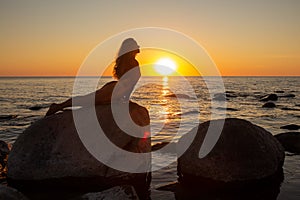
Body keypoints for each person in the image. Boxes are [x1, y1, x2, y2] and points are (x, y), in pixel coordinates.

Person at [45, 38, 141, 116]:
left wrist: (123, 99)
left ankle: (60, 106)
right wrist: (125, 99)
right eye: (135, 47)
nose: (137, 50)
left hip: (114, 89)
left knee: (87, 100)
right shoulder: (133, 63)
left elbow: (128, 84)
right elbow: (130, 85)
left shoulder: (125, 62)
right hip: (114, 91)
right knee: (88, 100)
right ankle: (58, 106)